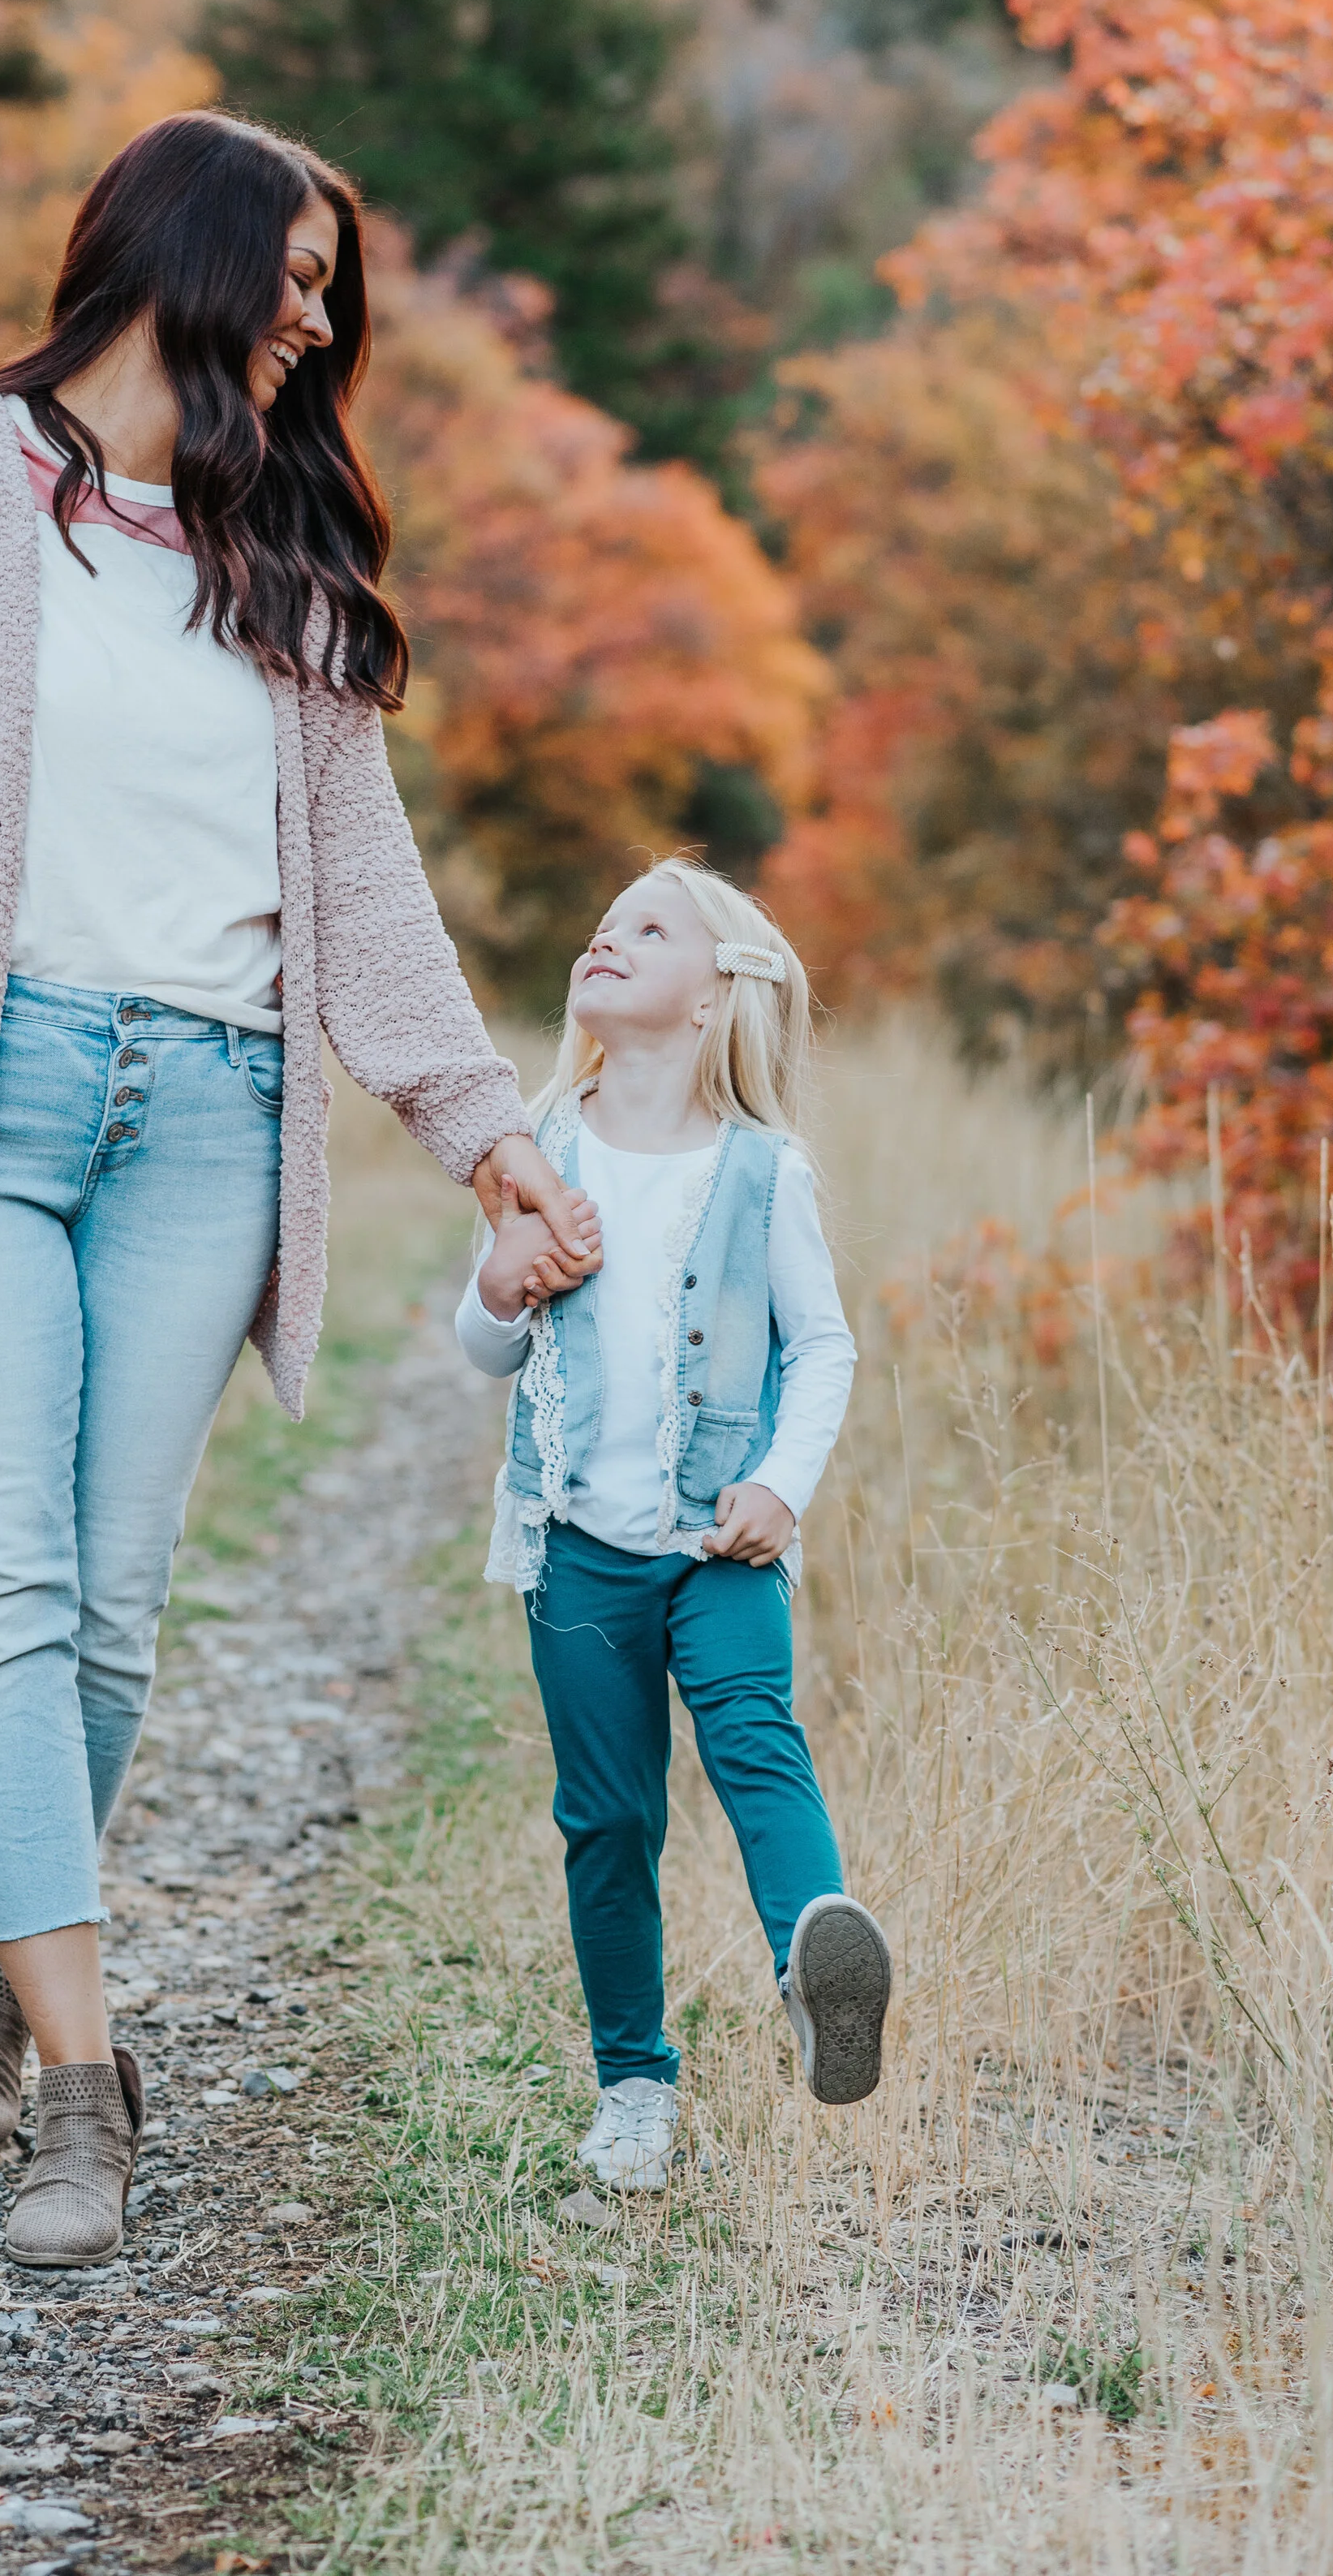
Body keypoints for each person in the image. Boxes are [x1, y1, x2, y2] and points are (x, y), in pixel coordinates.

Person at [0, 110, 597, 2268]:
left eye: (332, 292)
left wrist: (483, 1129)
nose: (317, 325)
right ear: (174, 258)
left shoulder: (274, 557)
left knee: (109, 1615)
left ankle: (5, 1989)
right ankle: (91, 2095)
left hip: (208, 1117)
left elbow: (365, 898)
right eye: (294, 278)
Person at [455, 857, 891, 2192]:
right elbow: (476, 1350)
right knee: (608, 1816)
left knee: (757, 1738)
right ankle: (634, 2086)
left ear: (714, 999)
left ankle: (817, 1958)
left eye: (652, 928)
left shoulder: (763, 1172)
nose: (609, 935)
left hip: (722, 1543)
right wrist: (501, 1281)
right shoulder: (540, 1142)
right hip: (576, 1547)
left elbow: (824, 1349)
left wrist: (783, 1487)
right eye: (605, 922)